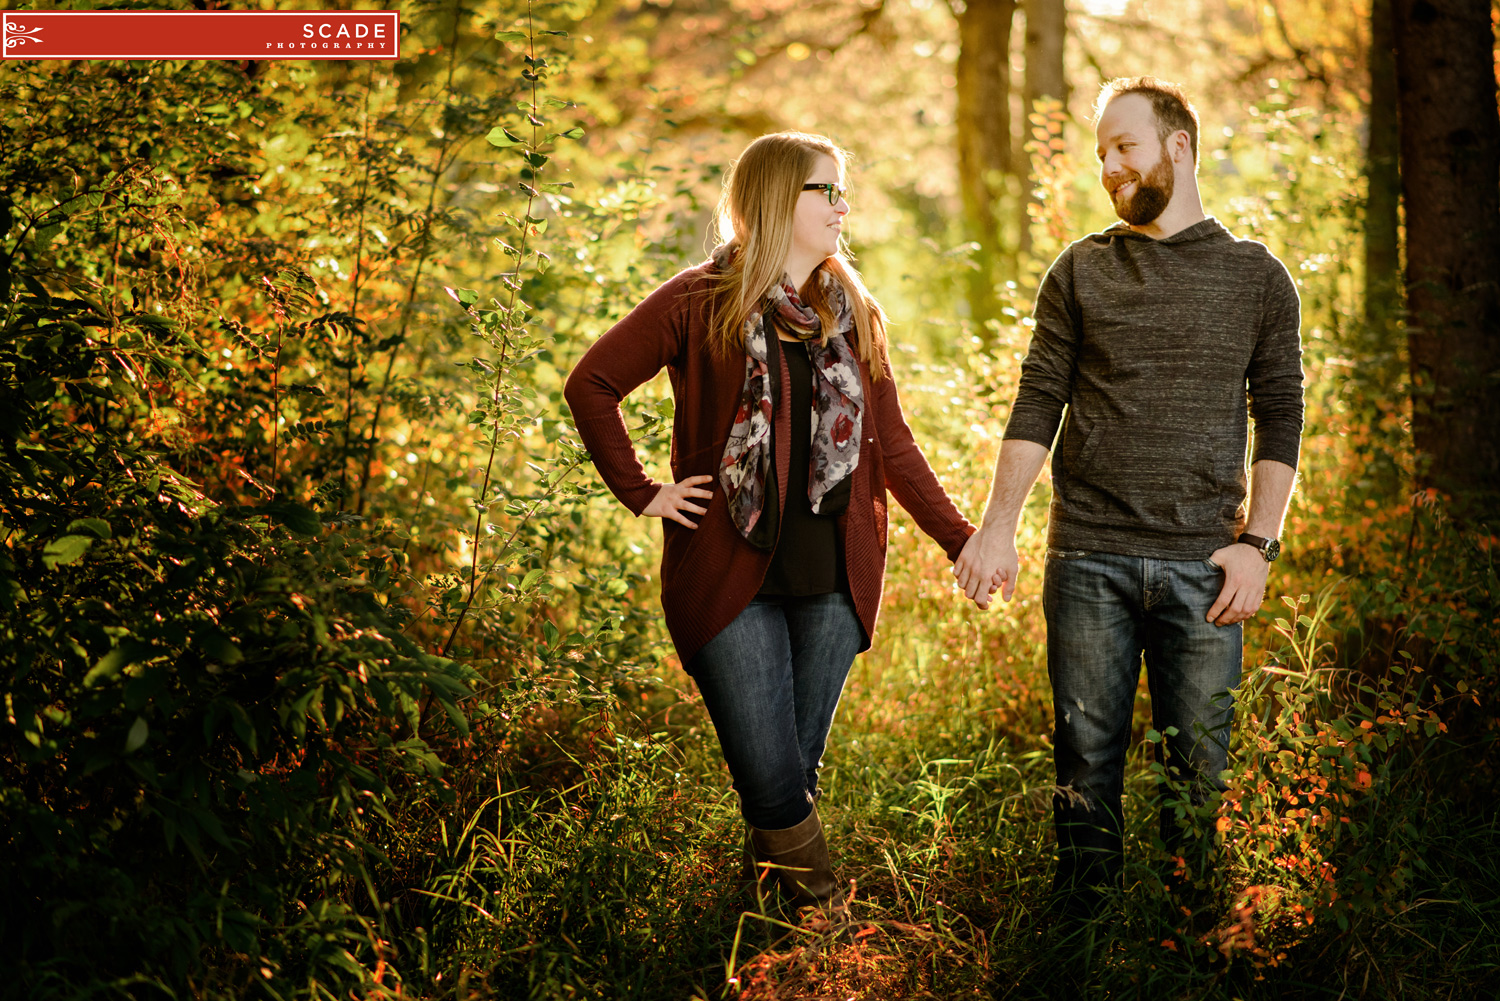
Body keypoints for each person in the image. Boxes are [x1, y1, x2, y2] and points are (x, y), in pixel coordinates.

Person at [566, 132, 989, 913]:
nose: (841, 205)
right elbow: (590, 382)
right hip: (730, 577)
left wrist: (963, 539)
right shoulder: (701, 299)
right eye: (823, 190)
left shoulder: (853, 313)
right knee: (769, 775)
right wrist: (644, 491)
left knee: (791, 775)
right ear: (774, 198)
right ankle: (826, 924)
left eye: (841, 189)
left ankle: (763, 937)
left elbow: (891, 448)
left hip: (833, 579)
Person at [954, 77, 1305, 919]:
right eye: (1101, 152)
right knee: (1084, 761)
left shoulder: (1257, 276)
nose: (1109, 167)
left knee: (1200, 771)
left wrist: (1258, 544)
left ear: (1178, 147)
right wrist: (998, 528)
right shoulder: (1081, 268)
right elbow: (1038, 399)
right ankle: (1080, 933)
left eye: (1125, 147)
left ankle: (1191, 934)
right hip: (1088, 559)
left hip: (1205, 568)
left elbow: (1282, 412)